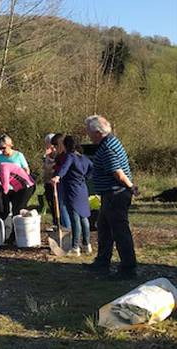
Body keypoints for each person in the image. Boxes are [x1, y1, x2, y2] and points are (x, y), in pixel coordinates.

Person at [83, 115, 138, 280]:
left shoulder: (107, 148)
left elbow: (118, 173)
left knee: (120, 231)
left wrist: (131, 187)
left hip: (116, 194)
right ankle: (102, 262)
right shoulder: (109, 142)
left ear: (98, 133)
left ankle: (128, 268)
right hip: (110, 194)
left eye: (89, 132)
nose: (88, 135)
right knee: (104, 227)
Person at [51, 135, 93, 256]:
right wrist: (85, 177)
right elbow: (92, 169)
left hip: (71, 189)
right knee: (84, 217)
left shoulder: (70, 156)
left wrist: (57, 177)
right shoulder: (84, 158)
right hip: (82, 188)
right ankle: (86, 245)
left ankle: (75, 247)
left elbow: (64, 168)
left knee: (75, 218)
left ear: (65, 145)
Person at [51, 133, 71, 230]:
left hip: (65, 183)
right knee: (61, 206)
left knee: (63, 207)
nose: (55, 148)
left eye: (56, 145)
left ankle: (68, 229)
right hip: (58, 183)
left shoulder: (67, 156)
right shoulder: (59, 156)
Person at [41, 133, 58, 227]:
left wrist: (47, 158)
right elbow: (44, 167)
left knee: (56, 203)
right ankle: (55, 221)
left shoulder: (57, 154)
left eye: (47, 143)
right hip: (47, 181)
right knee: (50, 202)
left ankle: (58, 222)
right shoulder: (47, 154)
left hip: (54, 182)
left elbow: (54, 167)